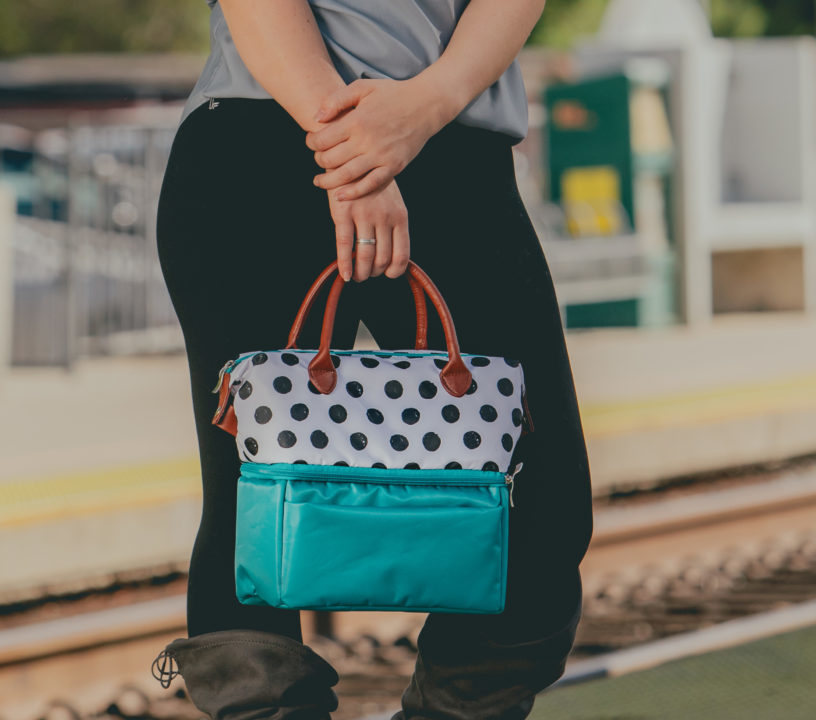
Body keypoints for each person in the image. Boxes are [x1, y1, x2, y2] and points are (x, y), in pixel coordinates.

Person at [149, 1, 594, 718]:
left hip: (448, 146)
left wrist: (423, 106)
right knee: (253, 511)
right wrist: (355, 156)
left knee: (541, 502)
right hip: (263, 137)